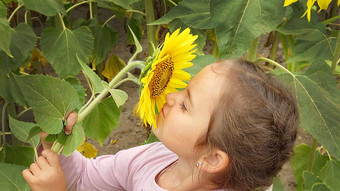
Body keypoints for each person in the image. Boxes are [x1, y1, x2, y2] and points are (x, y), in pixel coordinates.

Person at [22, 59, 299, 191]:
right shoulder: (158, 158)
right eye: (184, 89)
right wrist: (58, 147)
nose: (169, 96)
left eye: (185, 104)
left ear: (212, 157)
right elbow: (85, 179)